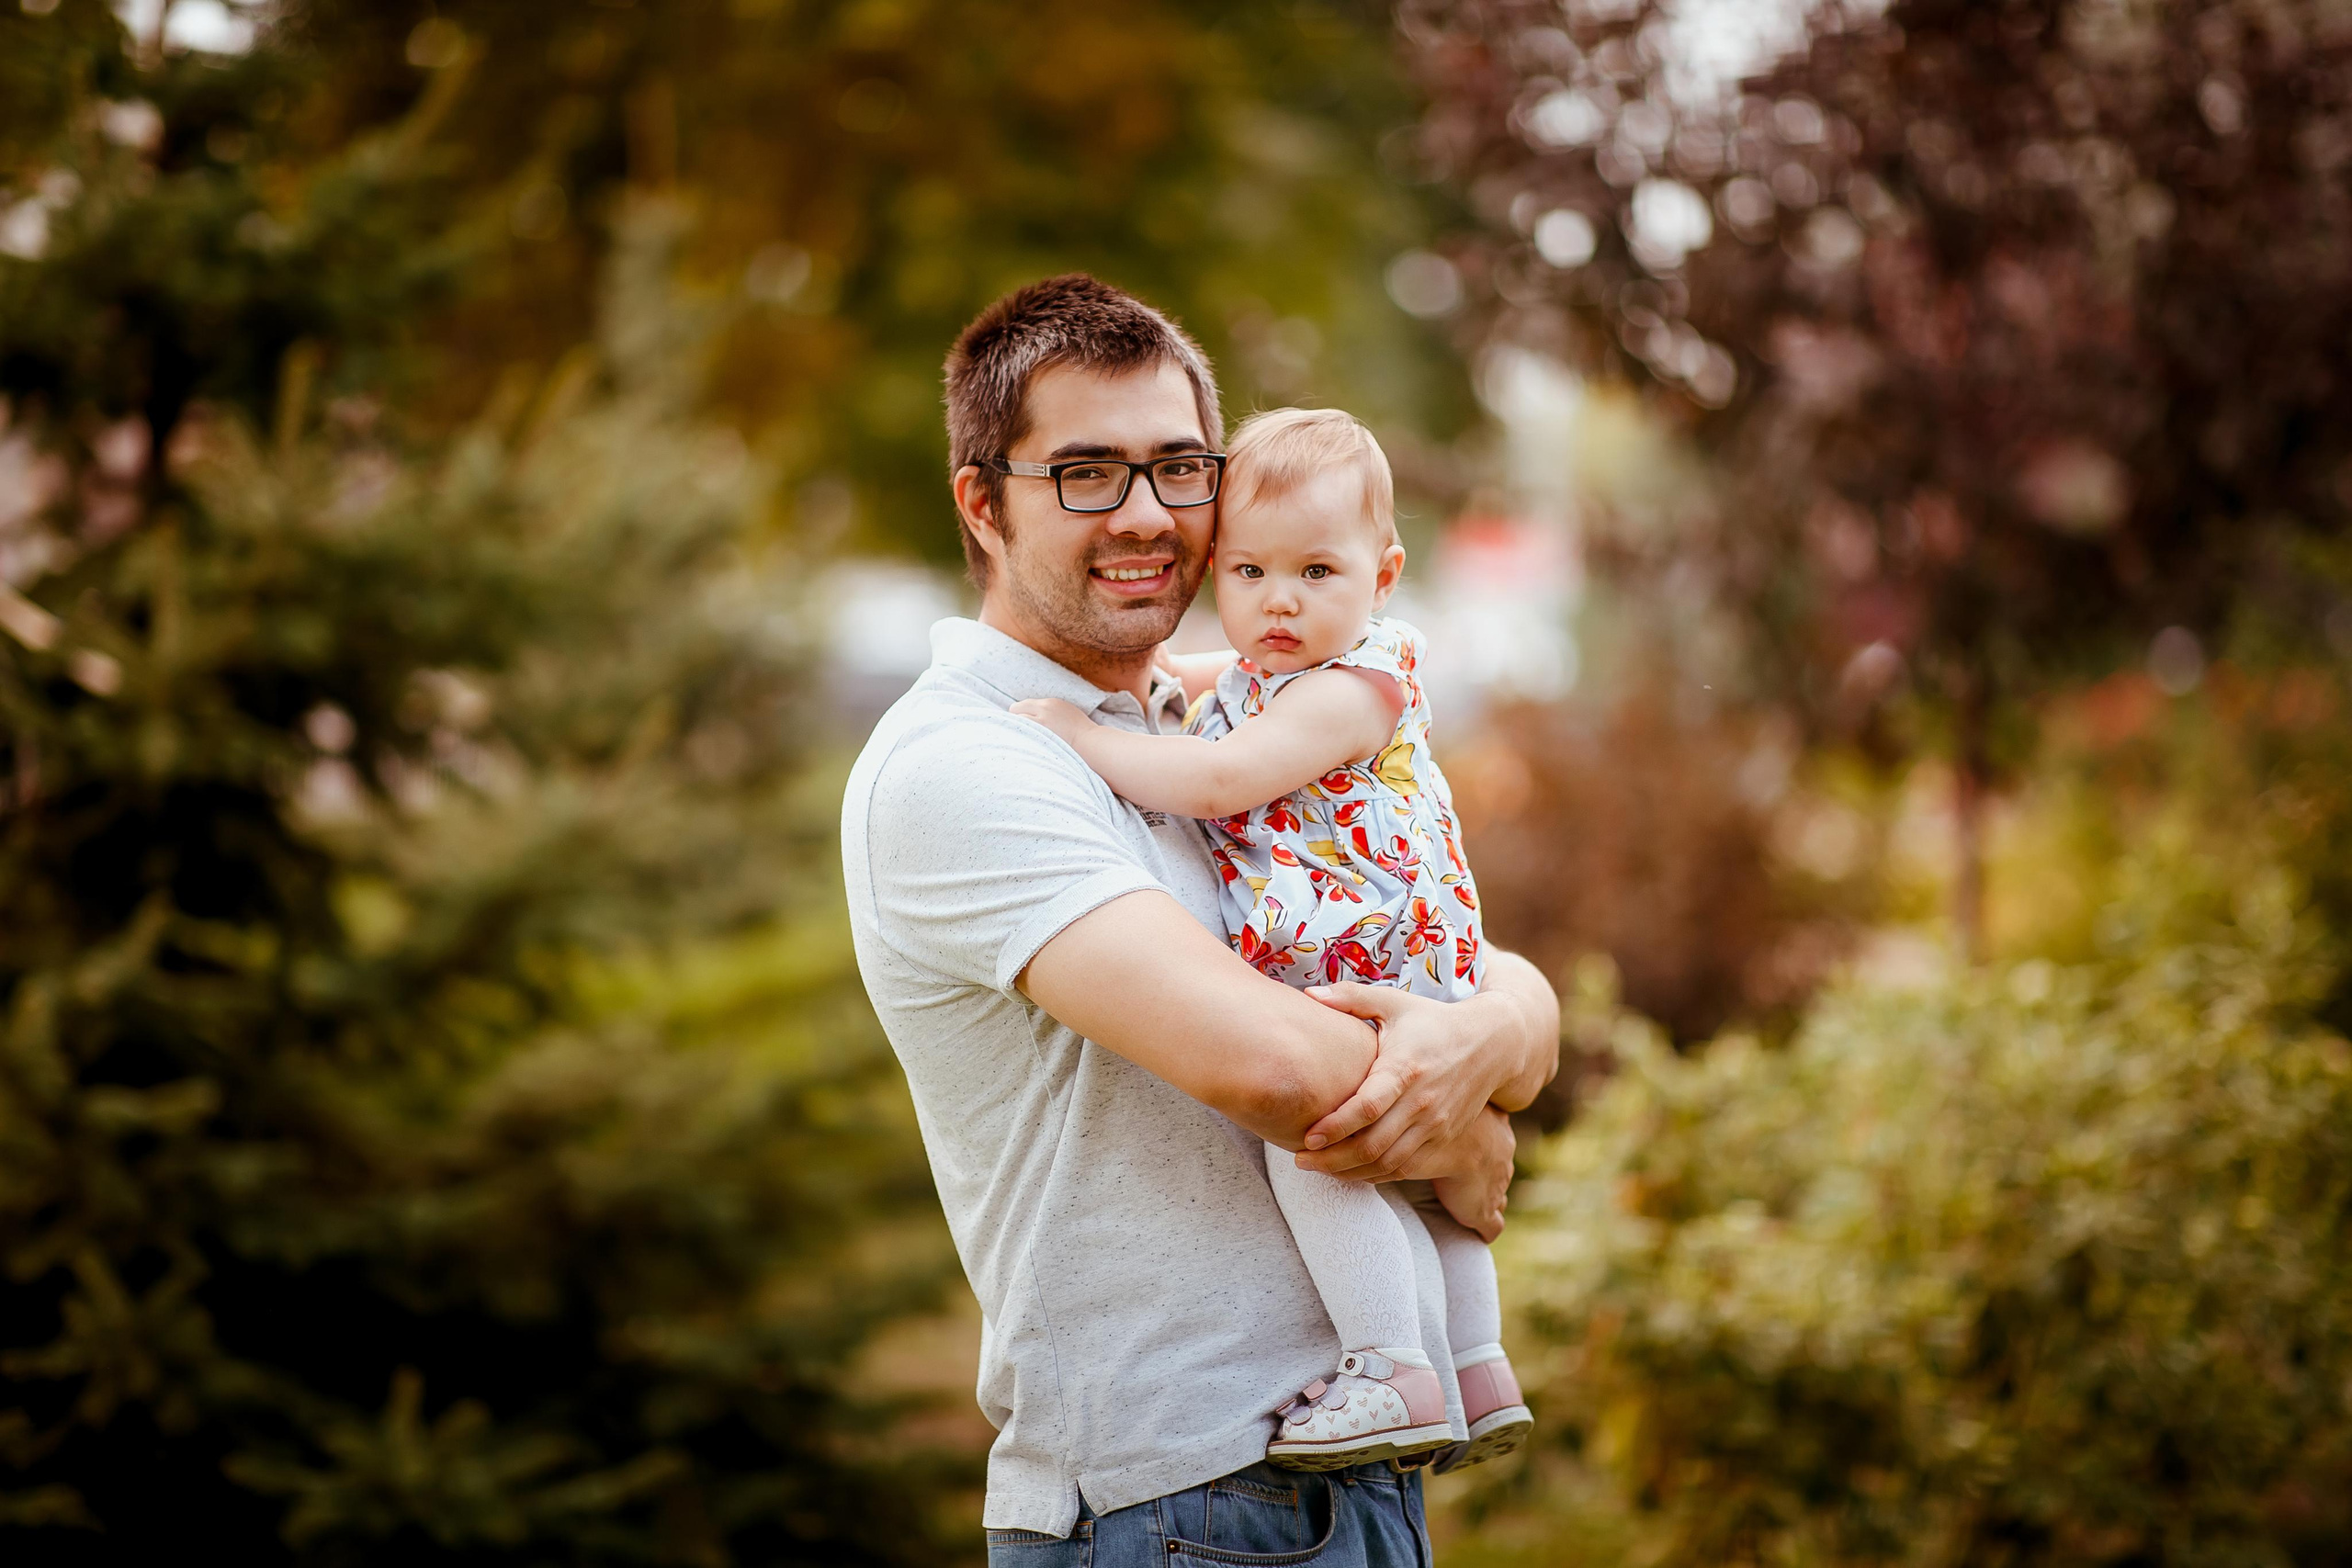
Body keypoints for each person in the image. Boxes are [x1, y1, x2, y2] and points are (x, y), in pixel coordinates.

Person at [841, 274, 1558, 1566]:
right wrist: (1460, 1119)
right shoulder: (976, 763)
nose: (1142, 513)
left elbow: (1462, 965)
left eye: (1178, 468)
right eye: (1084, 473)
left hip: (1338, 1472)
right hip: (1174, 1497)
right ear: (982, 502)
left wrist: (1489, 1041)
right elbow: (1273, 1066)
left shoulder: (1217, 722)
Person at [1012, 407, 1532, 1474]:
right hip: (1412, 957)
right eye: (1246, 572)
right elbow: (1218, 678)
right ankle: (1475, 1367)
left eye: (1313, 573)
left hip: (1361, 956)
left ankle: (1391, 1365)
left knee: (1319, 1156)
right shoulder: (1298, 663)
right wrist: (1171, 683)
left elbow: (1216, 779)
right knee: (1422, 1185)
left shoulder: (1351, 690)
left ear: (1383, 576)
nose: (1276, 602)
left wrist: (1080, 733)